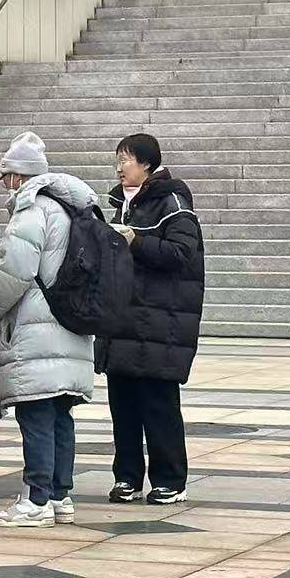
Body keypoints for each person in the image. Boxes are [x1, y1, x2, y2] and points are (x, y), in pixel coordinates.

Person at [0, 133, 96, 528]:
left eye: (4, 176)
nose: (3, 185)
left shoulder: (33, 209)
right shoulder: (73, 208)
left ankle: (36, 500)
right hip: (71, 324)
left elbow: (15, 271)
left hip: (38, 328)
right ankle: (60, 496)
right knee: (60, 413)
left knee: (36, 412)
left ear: (18, 176)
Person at [98, 134, 203, 506]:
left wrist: (135, 241)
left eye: (125, 160)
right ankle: (127, 478)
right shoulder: (121, 203)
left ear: (146, 163)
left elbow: (181, 252)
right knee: (123, 405)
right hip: (123, 319)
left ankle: (170, 480)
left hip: (159, 321)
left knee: (158, 406)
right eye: (118, 160)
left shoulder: (172, 202)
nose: (119, 167)